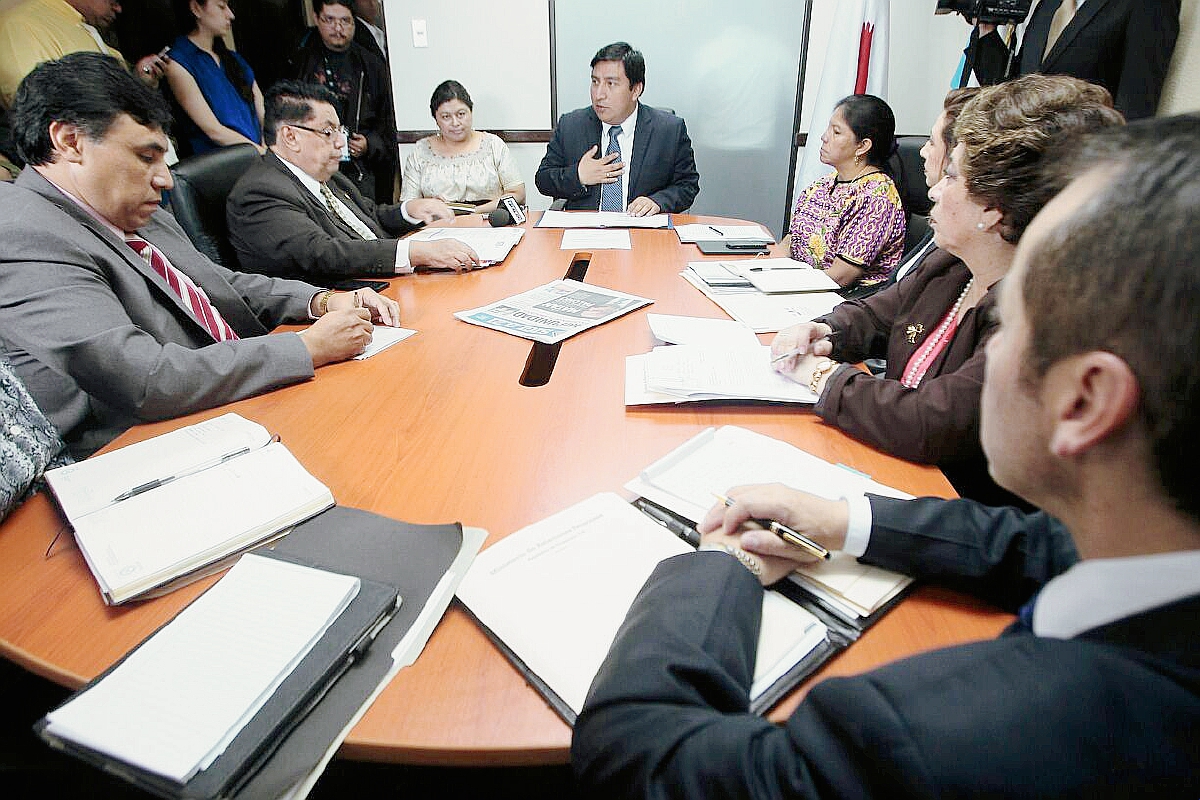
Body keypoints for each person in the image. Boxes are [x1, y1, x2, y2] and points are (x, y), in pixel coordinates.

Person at [572, 112, 1200, 799]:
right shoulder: (1146, 551)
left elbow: (637, 760)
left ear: (1084, 402)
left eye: (1011, 319)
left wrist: (716, 570)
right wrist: (844, 519)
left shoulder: (946, 739)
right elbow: (1032, 545)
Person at [0, 53, 399, 458]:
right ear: (69, 141)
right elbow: (142, 378)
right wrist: (307, 348)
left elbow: (220, 284)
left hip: (227, 407)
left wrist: (322, 300)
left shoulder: (130, 208)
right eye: (145, 157)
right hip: (144, 448)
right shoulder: (23, 230)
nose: (166, 178)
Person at [770, 75, 1122, 507]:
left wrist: (821, 376)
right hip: (889, 468)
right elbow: (874, 315)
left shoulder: (1038, 313)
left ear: (993, 210)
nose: (933, 189)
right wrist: (820, 330)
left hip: (948, 507)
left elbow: (930, 422)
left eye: (951, 177)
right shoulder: (953, 264)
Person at [226, 80, 479, 283]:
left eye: (340, 131)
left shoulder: (327, 175)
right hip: (339, 305)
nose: (340, 143)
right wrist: (416, 252)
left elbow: (369, 215)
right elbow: (323, 253)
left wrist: (409, 210)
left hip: (385, 283)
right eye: (328, 132)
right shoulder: (260, 193)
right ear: (290, 136)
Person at [535, 42, 699, 216]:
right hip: (586, 233)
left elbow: (687, 185)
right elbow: (543, 179)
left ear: (636, 90)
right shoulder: (571, 125)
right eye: (595, 82)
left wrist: (658, 201)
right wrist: (578, 175)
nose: (599, 94)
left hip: (642, 232)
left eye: (611, 84)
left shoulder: (668, 130)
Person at [969, 0, 1180, 121]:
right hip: (1022, 166)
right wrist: (986, 27)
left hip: (1078, 168)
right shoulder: (1048, 4)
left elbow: (1135, 109)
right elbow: (1013, 85)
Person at [784, 94, 905, 291]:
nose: (824, 137)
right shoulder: (820, 186)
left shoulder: (878, 197)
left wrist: (784, 286)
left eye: (836, 132)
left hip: (847, 301)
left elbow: (841, 276)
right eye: (828, 128)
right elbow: (792, 241)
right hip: (802, 289)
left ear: (863, 146)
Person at [292, 0, 396, 205]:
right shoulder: (300, 62)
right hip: (314, 164)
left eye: (345, 21)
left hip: (362, 169)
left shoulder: (372, 65)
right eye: (329, 20)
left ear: (354, 22)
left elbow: (388, 120)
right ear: (316, 18)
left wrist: (369, 144)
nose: (337, 28)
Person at [0, 0, 168, 108]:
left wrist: (139, 81)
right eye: (113, 1)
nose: (118, 8)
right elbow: (39, 109)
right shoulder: (22, 24)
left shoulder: (89, 32)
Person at [890, 86, 979, 284]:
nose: (923, 151)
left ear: (954, 155)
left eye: (931, 142)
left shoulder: (959, 241)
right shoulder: (940, 218)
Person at [400, 80, 525, 215]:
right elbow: (408, 205)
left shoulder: (493, 145)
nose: (455, 123)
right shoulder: (421, 152)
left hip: (488, 221)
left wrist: (475, 212)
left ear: (471, 112)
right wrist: (430, 205)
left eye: (461, 114)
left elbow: (517, 194)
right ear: (436, 119)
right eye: (446, 117)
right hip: (440, 226)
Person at [164, 0, 264, 156]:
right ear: (196, 8)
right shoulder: (178, 62)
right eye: (221, 6)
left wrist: (265, 145)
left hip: (258, 157)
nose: (230, 15)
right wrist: (261, 152)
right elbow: (213, 130)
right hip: (223, 165)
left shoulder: (234, 59)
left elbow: (261, 111)